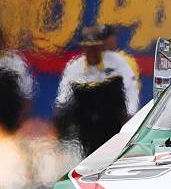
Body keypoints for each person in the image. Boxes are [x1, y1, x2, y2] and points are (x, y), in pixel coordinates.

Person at [55, 26, 140, 154]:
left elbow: (130, 89)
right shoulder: (74, 67)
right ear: (84, 48)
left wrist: (131, 115)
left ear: (101, 47)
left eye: (95, 47)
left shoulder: (117, 63)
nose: (92, 51)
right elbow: (63, 98)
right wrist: (60, 118)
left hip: (111, 120)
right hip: (85, 123)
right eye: (89, 48)